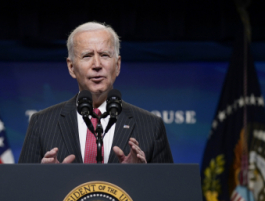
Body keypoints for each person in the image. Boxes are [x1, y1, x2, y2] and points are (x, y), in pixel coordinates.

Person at [18, 22, 173, 164]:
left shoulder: (151, 126)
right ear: (71, 67)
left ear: (117, 65)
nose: (97, 65)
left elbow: (169, 190)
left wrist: (140, 176)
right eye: (87, 56)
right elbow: (22, 188)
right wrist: (47, 179)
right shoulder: (42, 123)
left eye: (104, 55)